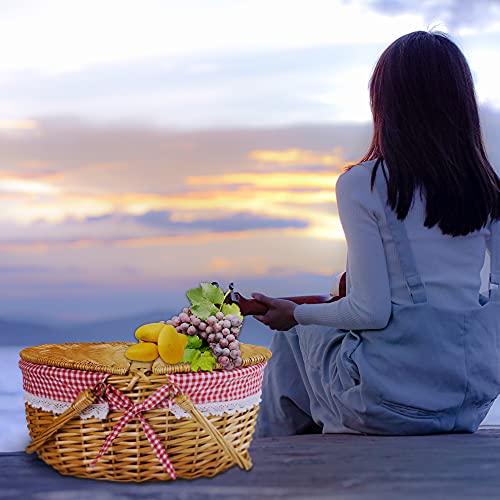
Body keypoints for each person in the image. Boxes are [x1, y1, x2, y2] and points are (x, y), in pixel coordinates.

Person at [251, 29, 500, 437]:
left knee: (297, 337)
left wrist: (294, 313)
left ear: (386, 103)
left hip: (390, 401)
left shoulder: (363, 184)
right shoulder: (488, 189)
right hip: (467, 401)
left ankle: (272, 461)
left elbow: (370, 311)